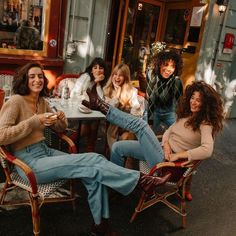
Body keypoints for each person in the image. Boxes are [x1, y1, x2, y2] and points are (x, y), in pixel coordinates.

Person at [0, 62, 171, 236]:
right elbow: (2, 135)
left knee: (94, 173)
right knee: (94, 159)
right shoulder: (16, 101)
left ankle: (100, 225)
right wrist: (34, 121)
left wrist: (60, 119)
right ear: (24, 80)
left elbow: (60, 128)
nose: (38, 80)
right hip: (28, 162)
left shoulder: (42, 101)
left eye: (40, 76)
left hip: (45, 152)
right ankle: (141, 181)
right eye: (32, 76)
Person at [82, 80, 225, 200]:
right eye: (193, 98)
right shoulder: (187, 116)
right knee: (118, 147)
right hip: (160, 150)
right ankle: (115, 185)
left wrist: (178, 155)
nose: (193, 102)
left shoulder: (205, 123)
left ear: (206, 104)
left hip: (166, 165)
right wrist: (167, 144)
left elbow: (207, 150)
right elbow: (168, 131)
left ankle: (101, 106)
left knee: (141, 125)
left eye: (199, 100)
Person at [70, 57, 109, 152]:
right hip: (81, 106)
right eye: (95, 67)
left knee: (94, 125)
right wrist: (94, 82)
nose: (98, 70)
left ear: (104, 70)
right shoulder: (86, 77)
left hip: (94, 110)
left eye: (101, 68)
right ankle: (70, 144)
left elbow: (101, 99)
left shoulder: (105, 81)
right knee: (85, 130)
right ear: (91, 69)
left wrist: (98, 83)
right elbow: (74, 94)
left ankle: (89, 149)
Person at [103, 63, 145, 151]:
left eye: (121, 75)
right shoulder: (107, 90)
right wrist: (117, 93)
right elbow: (109, 110)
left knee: (127, 139)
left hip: (128, 126)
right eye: (115, 74)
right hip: (113, 126)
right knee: (119, 144)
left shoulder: (132, 91)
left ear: (126, 77)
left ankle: (126, 160)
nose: (117, 78)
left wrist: (134, 105)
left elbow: (136, 113)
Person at [146, 48, 183, 134]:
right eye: (165, 64)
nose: (169, 69)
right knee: (148, 133)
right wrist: (150, 121)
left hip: (169, 111)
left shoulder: (176, 81)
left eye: (172, 66)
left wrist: (178, 123)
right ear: (159, 64)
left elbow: (178, 104)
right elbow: (151, 99)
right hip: (154, 110)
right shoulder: (152, 75)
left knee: (177, 133)